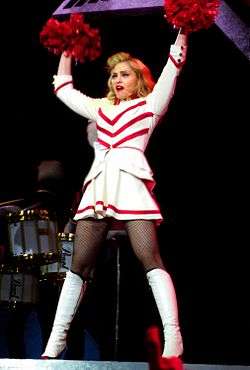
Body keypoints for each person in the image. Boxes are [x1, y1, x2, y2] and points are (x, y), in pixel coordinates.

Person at [41, 29, 188, 367]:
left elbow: (174, 65)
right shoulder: (101, 109)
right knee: (79, 265)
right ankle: (55, 338)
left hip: (131, 184)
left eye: (125, 74)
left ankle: (173, 336)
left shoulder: (151, 105)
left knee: (149, 257)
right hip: (99, 186)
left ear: (139, 79)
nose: (118, 79)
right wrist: (68, 49)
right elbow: (63, 88)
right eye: (114, 75)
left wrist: (182, 31)